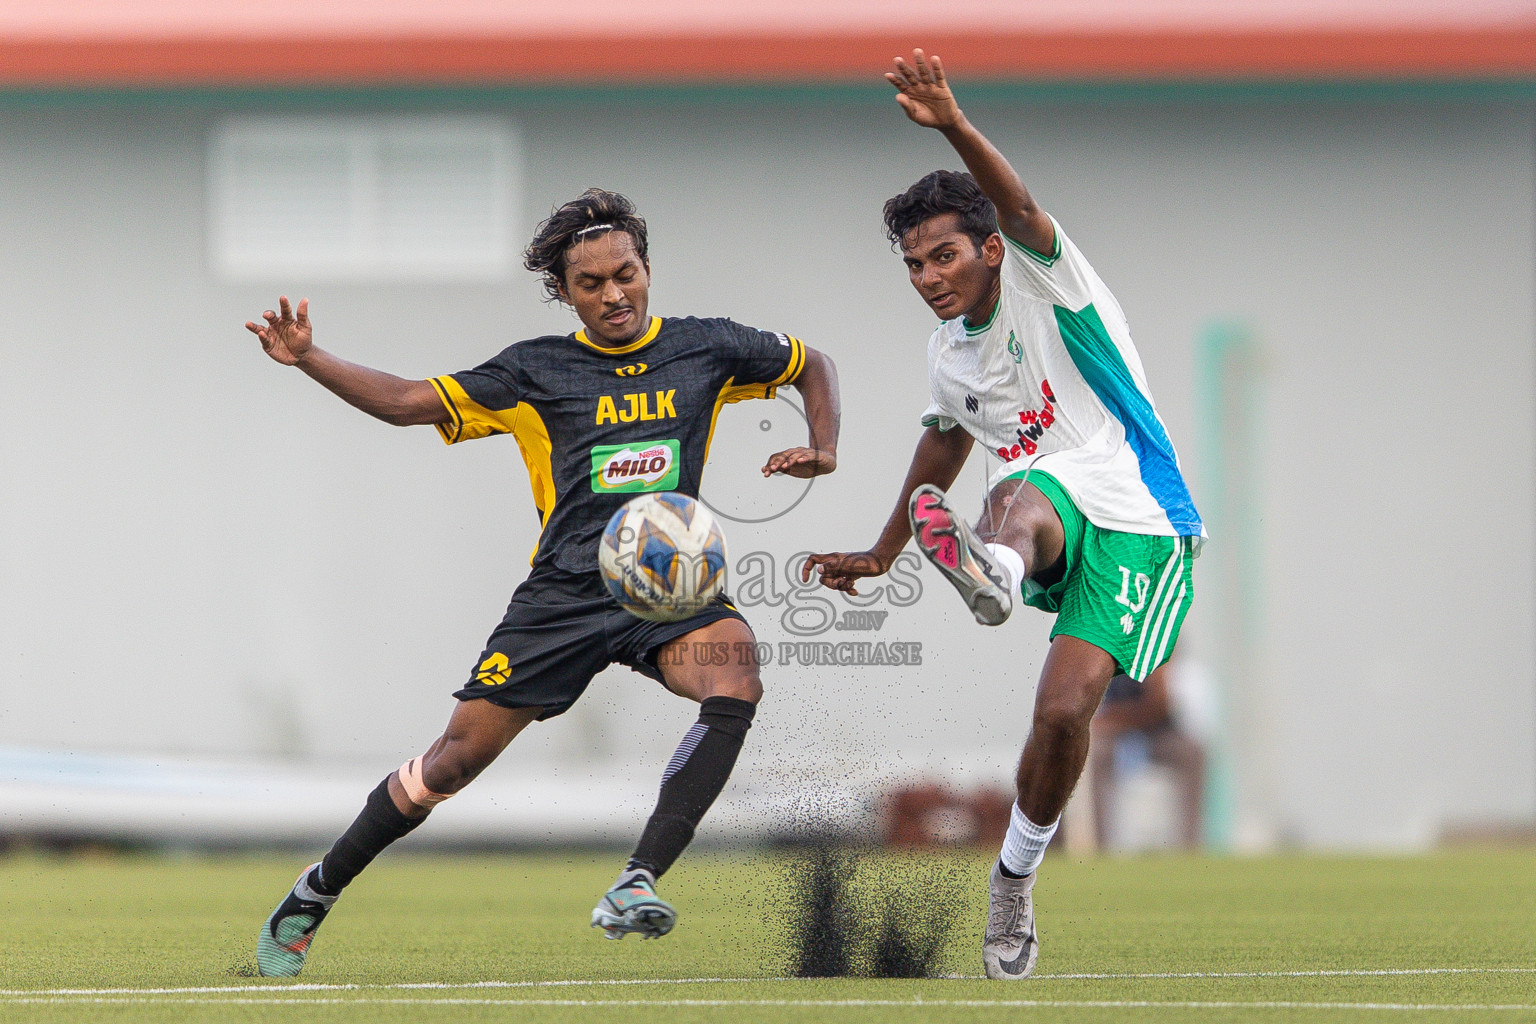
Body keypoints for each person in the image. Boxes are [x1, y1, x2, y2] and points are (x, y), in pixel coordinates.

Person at [244, 189, 840, 977]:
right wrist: (310, 357)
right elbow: (406, 403)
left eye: (625, 274)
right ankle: (317, 891)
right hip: (561, 596)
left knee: (737, 675)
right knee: (452, 763)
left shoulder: (708, 349)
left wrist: (823, 446)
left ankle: (638, 879)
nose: (613, 294)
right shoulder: (535, 369)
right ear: (564, 292)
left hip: (665, 585)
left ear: (647, 269)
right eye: (590, 284)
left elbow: (812, 364)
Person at [803, 51, 1202, 980]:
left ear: (986, 249)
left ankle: (1014, 881)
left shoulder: (1045, 280)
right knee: (1016, 489)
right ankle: (995, 573)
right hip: (1040, 514)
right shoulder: (949, 356)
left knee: (1063, 713)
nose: (928, 276)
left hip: (1141, 513)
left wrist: (951, 123)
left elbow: (1017, 205)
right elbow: (941, 449)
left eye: (942, 254)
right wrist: (879, 550)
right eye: (912, 264)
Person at [1090, 662, 1206, 851]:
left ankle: (1190, 847)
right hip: (1116, 734)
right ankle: (1099, 845)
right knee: (1093, 754)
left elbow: (1159, 704)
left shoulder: (1156, 643)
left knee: (1193, 752)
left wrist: (1119, 719)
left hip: (1156, 733)